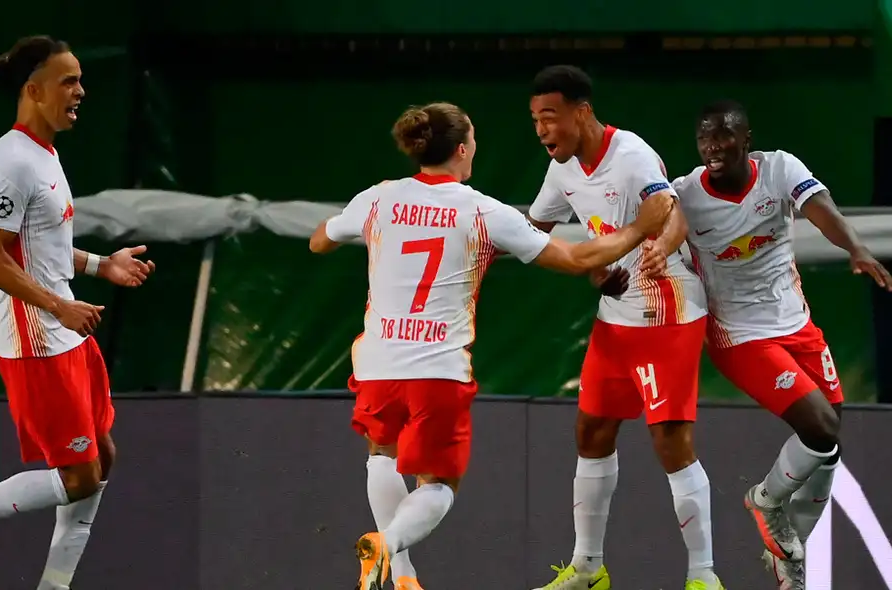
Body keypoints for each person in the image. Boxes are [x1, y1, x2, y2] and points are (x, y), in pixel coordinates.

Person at [308, 101, 674, 590]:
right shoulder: (481, 210)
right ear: (462, 149)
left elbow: (318, 242)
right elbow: (574, 258)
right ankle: (388, 545)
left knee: (381, 453)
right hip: (436, 368)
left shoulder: (378, 199)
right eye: (474, 139)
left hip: (377, 360)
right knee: (439, 486)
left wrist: (371, 237)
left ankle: (403, 577)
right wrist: (639, 229)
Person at [0, 36, 156, 590]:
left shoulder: (44, 155)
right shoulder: (11, 160)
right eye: (69, 81)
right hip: (34, 337)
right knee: (78, 475)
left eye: (80, 80)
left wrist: (100, 266)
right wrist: (58, 305)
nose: (81, 91)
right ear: (33, 90)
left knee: (102, 457)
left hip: (62, 329)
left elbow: (39, 245)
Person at [672, 99, 892, 589]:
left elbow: (822, 210)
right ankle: (766, 500)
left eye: (724, 135)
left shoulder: (779, 169)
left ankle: (789, 557)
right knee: (819, 426)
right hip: (739, 334)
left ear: (746, 139)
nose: (714, 146)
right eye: (705, 137)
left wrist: (855, 248)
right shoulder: (684, 194)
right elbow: (657, 234)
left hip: (796, 324)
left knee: (829, 442)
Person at [526, 66, 723, 590]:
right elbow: (536, 234)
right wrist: (587, 265)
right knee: (591, 431)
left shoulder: (631, 156)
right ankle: (588, 568)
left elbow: (669, 210)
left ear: (582, 112)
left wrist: (657, 246)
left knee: (669, 438)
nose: (542, 130)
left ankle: (703, 575)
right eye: (535, 120)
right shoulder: (562, 169)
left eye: (550, 117)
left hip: (667, 310)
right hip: (614, 317)